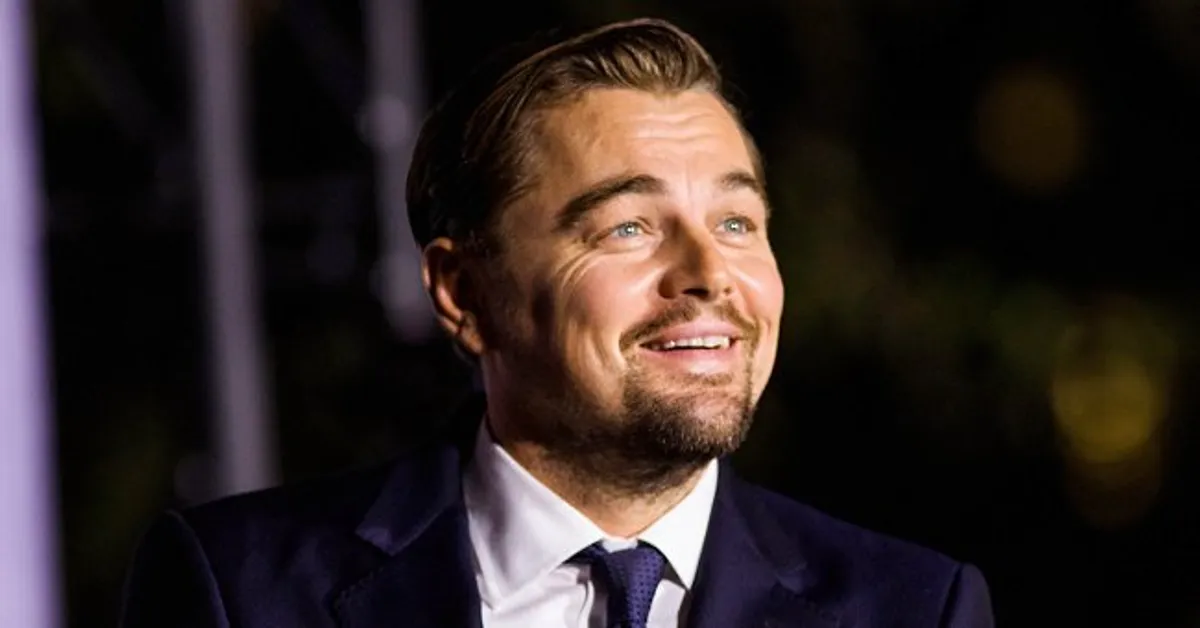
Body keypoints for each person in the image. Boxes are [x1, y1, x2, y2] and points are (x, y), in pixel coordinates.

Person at [121, 17, 993, 628]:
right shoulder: (243, 593)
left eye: (735, 222)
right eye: (628, 229)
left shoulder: (916, 607)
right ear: (463, 293)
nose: (708, 276)